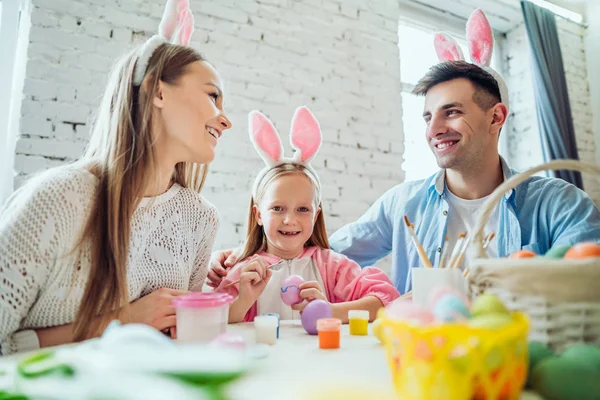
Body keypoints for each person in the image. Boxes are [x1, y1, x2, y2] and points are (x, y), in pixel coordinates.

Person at [207, 9, 600, 296]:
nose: (434, 129)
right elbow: (317, 251)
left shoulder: (561, 206)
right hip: (417, 361)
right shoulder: (403, 204)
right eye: (428, 116)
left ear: (496, 116)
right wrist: (243, 256)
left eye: (453, 112)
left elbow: (589, 281)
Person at [0, 0, 232, 355]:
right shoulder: (57, 199)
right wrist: (120, 321)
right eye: (213, 96)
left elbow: (181, 346)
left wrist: (235, 297)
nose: (224, 119)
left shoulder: (200, 219)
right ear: (158, 91)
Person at [214, 107, 399, 323]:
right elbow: (211, 321)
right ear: (258, 215)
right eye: (277, 208)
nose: (290, 220)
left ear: (316, 214)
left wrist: (328, 311)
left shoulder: (332, 266)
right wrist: (244, 300)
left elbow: (384, 301)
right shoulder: (244, 271)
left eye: (303, 209)